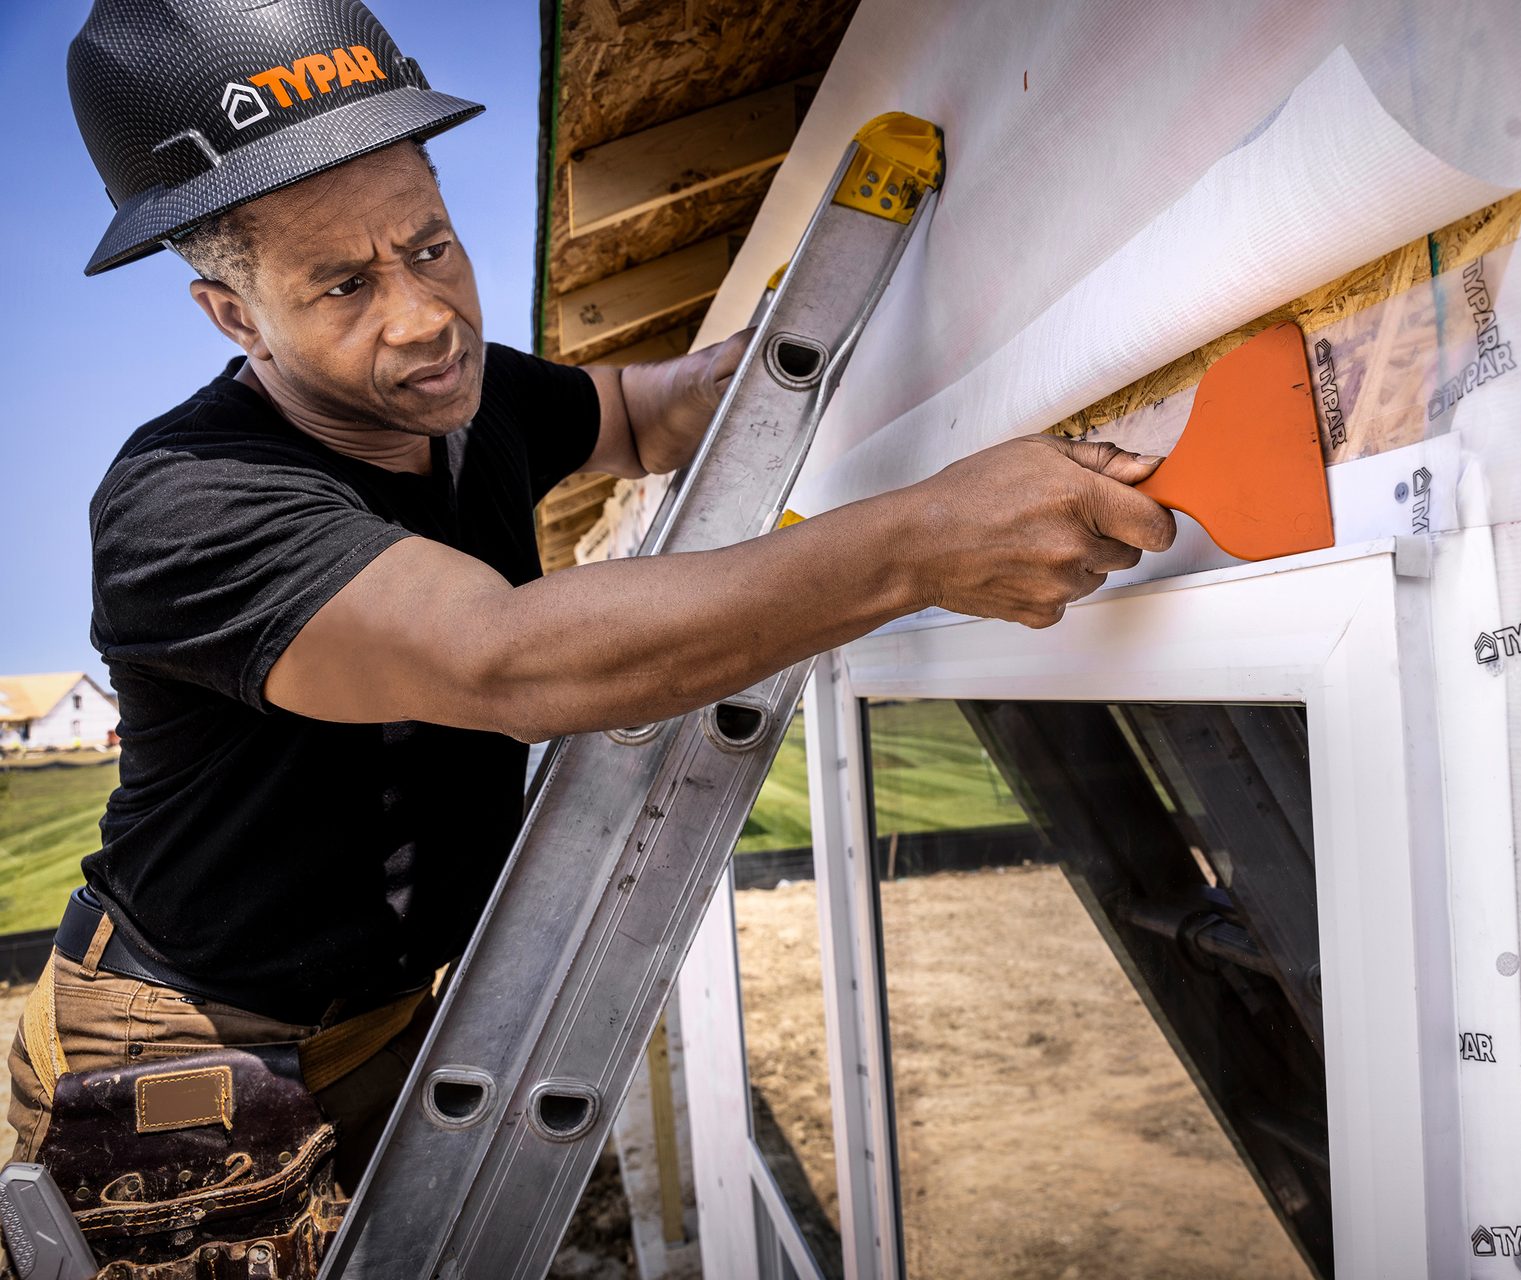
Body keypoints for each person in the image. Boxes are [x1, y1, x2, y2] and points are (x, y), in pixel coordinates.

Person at [3, 0, 1174, 1274]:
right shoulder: (188, 502)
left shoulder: (468, 393)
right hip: (181, 1052)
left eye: (432, 245)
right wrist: (918, 542)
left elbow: (635, 411)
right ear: (234, 316)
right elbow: (508, 661)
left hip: (383, 1010)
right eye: (343, 284)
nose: (423, 316)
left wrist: (796, 344)